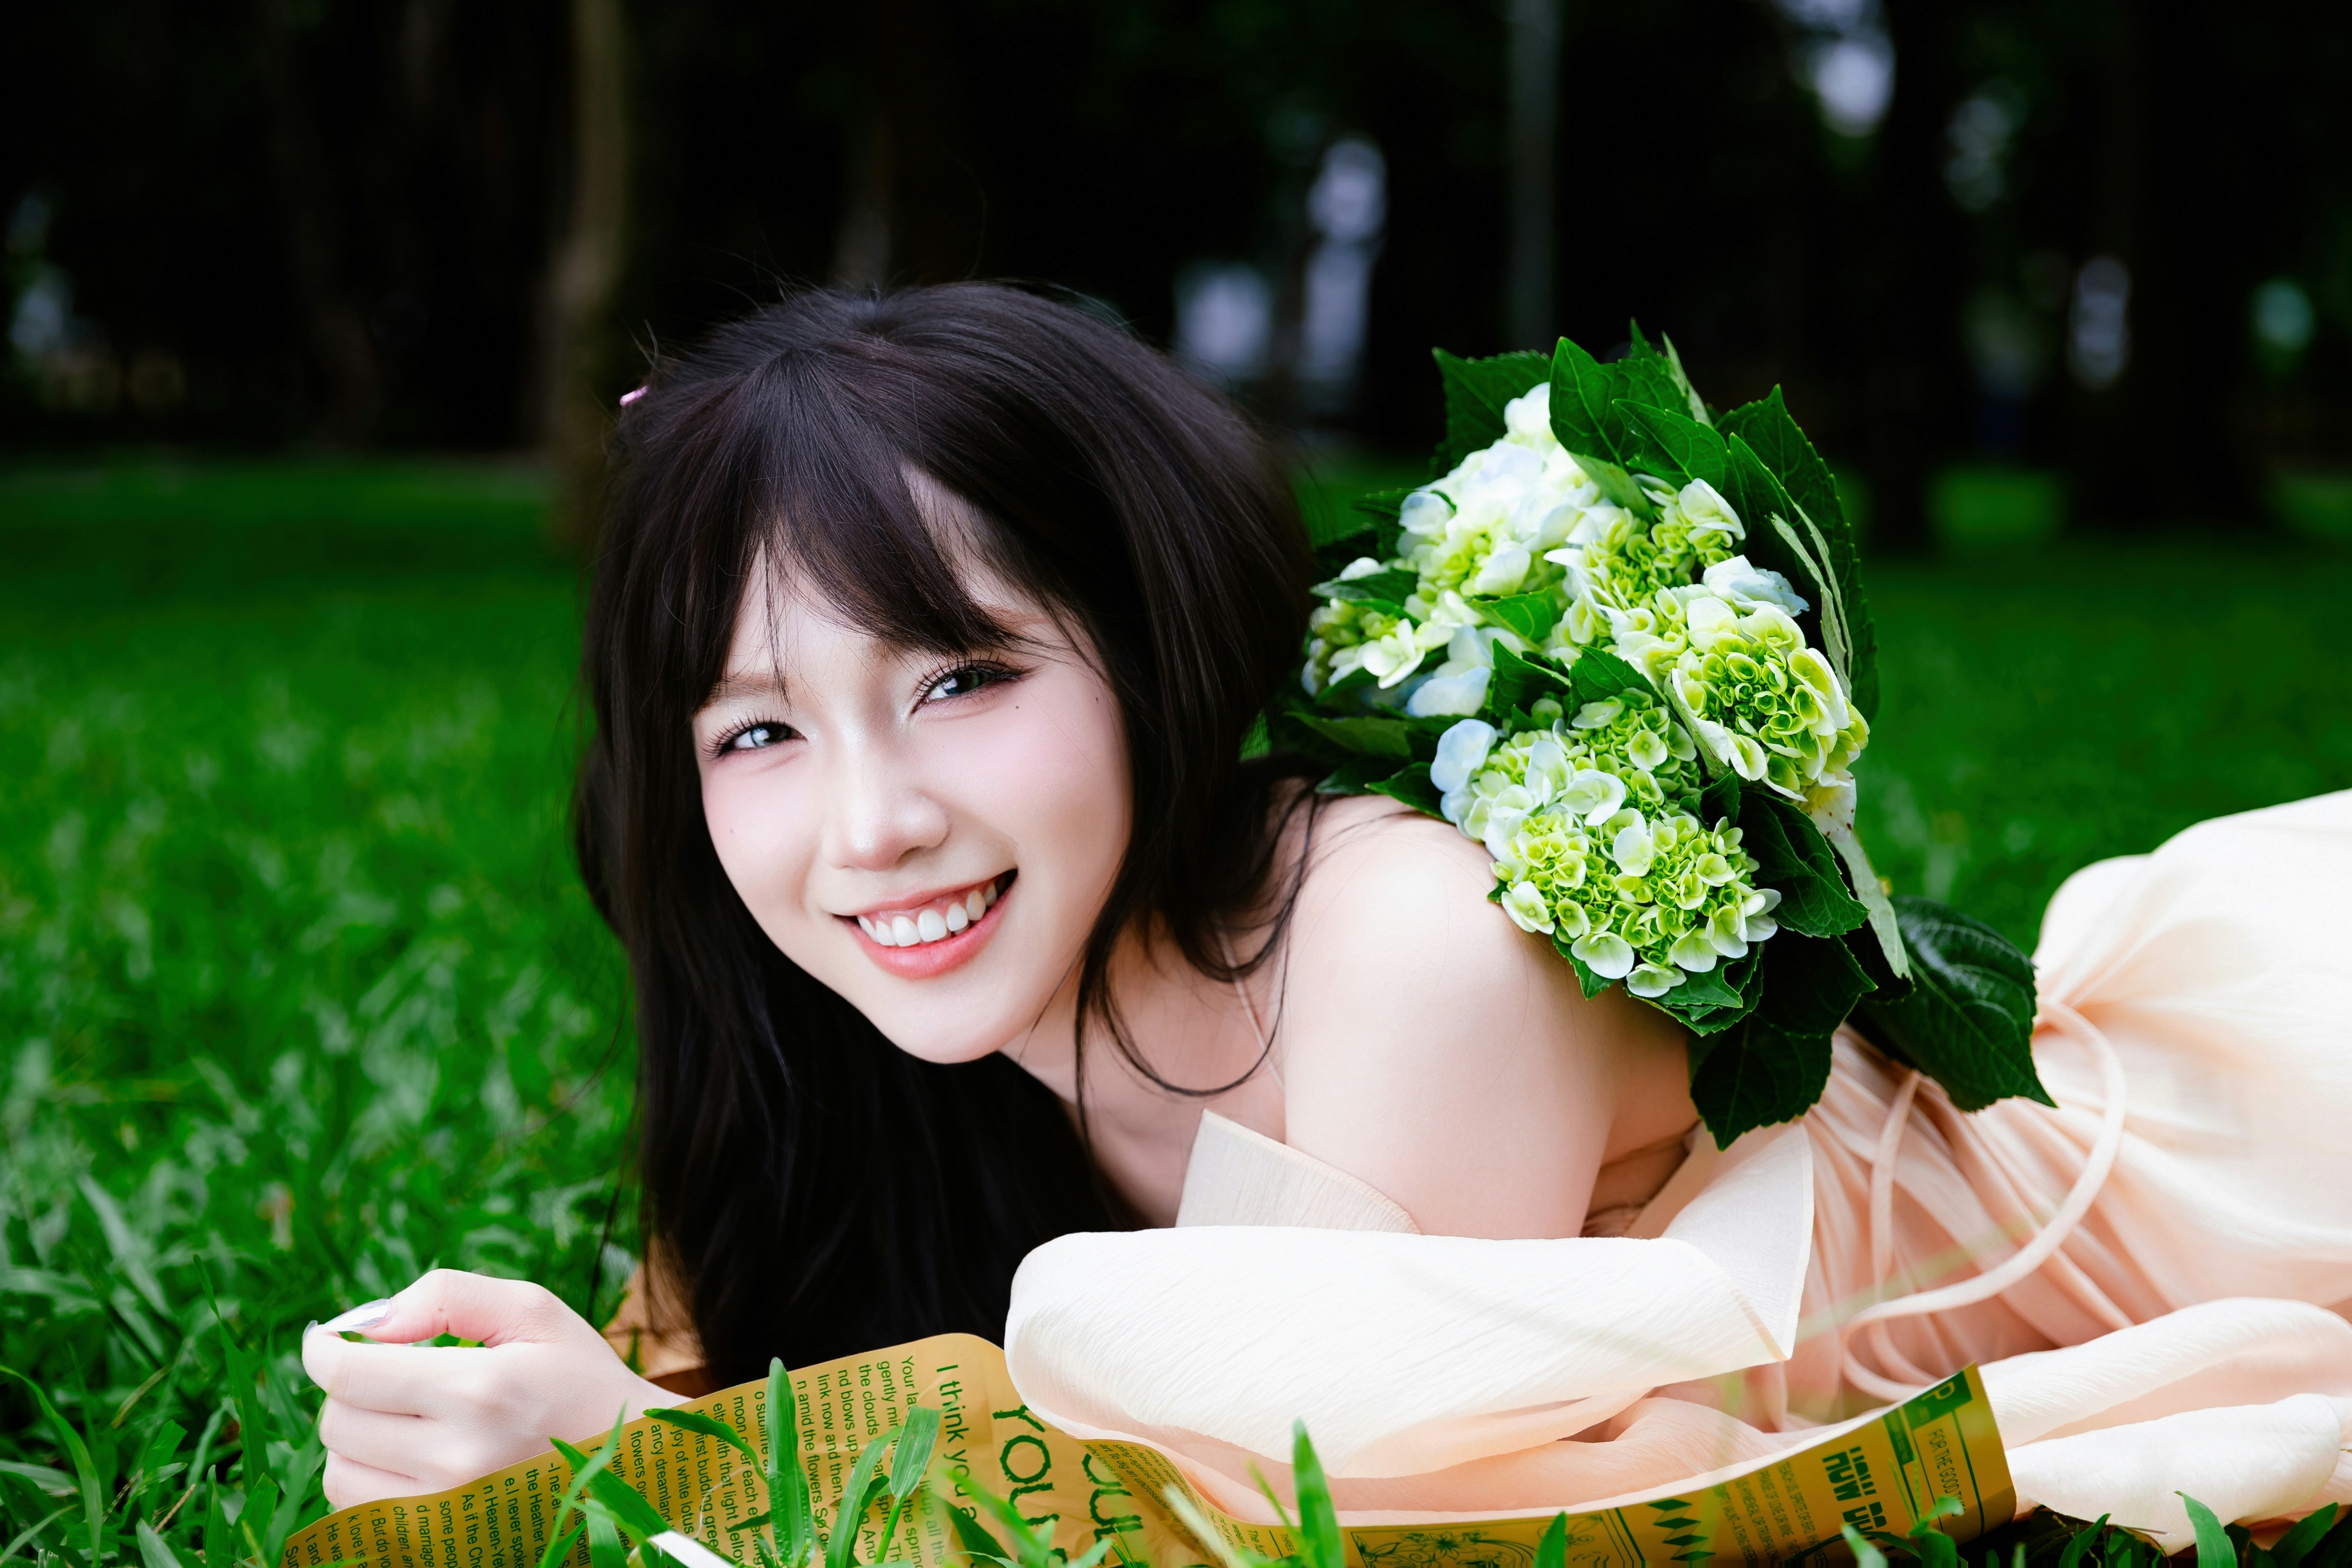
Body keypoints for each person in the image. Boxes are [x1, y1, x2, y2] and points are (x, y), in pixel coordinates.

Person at [302, 284, 2352, 1539]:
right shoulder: (831, 1029)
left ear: (1155, 641)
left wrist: (657, 1471)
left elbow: (1289, 1524)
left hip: (2253, 1173)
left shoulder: (1413, 961)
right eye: (755, 732)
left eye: (963, 680)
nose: (870, 830)